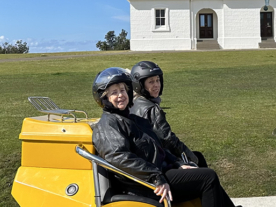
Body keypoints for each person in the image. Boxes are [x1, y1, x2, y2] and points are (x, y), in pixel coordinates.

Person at [91, 67, 237, 207]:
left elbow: (157, 147)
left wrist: (178, 162)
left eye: (122, 90)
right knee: (208, 178)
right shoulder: (108, 124)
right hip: (144, 183)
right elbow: (119, 157)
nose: (120, 95)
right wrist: (155, 177)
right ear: (104, 98)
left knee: (203, 173)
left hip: (157, 172)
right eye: (114, 93)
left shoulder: (133, 119)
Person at [130, 61, 207, 168]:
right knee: (202, 167)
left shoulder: (133, 103)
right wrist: (191, 158)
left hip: (146, 157)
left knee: (198, 156)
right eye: (151, 82)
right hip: (159, 161)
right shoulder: (151, 109)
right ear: (140, 85)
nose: (156, 85)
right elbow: (168, 140)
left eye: (158, 80)